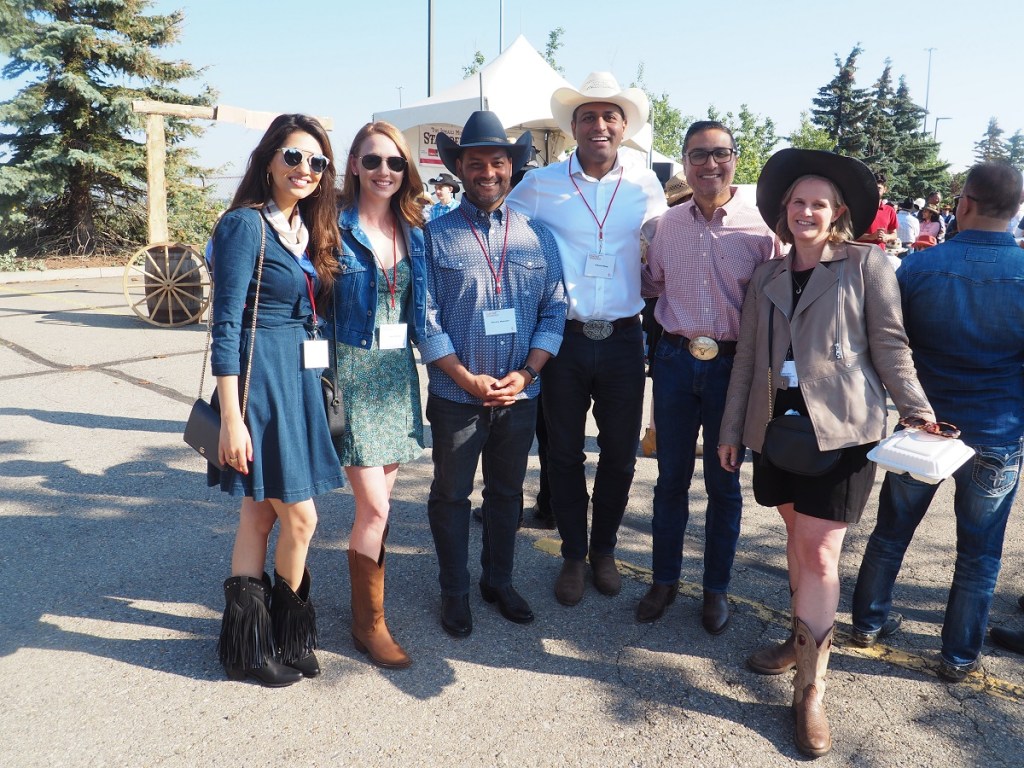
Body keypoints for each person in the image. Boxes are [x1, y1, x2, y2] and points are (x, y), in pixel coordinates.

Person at [718, 149, 935, 757]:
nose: (806, 211)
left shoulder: (867, 266)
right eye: (797, 203)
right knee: (795, 539)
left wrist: (916, 409)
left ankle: (811, 690)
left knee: (817, 552)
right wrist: (732, 429)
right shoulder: (766, 277)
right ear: (783, 214)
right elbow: (746, 361)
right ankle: (799, 639)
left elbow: (890, 345)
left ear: (837, 212)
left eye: (818, 203)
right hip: (776, 429)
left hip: (841, 430)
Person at [852, 162, 1024, 683]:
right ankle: (957, 656)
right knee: (980, 552)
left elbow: (888, 345)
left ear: (964, 203)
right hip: (998, 431)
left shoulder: (920, 268)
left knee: (890, 533)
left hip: (924, 429)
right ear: (1015, 210)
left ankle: (867, 623)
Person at [507, 71, 667, 607]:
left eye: (610, 116)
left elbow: (665, 248)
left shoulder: (646, 184)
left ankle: (604, 549)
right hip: (565, 338)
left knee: (621, 457)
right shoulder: (540, 185)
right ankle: (574, 553)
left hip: (624, 338)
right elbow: (500, 237)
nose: (599, 124)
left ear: (624, 127)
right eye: (589, 116)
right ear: (573, 127)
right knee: (565, 453)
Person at [210, 114, 345, 686]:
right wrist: (232, 420)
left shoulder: (302, 229)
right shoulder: (247, 226)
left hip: (295, 380)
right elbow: (224, 325)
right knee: (302, 519)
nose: (305, 170)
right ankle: (283, 631)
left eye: (316, 162)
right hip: (258, 383)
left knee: (258, 516)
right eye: (293, 156)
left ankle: (258, 643)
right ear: (268, 160)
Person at [420, 111, 566, 638]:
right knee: (451, 495)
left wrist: (527, 375)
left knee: (507, 496)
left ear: (512, 169)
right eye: (476, 162)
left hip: (519, 394)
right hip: (455, 394)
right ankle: (454, 589)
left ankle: (497, 581)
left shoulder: (539, 236)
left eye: (497, 162)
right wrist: (463, 377)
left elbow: (554, 310)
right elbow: (425, 316)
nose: (487, 172)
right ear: (459, 169)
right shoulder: (432, 237)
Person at [638, 122, 778, 632]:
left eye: (720, 154)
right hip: (674, 364)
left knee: (724, 486)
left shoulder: (763, 230)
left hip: (732, 369)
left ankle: (715, 589)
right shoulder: (665, 225)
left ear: (735, 159)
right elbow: (653, 285)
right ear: (684, 161)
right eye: (698, 155)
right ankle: (664, 580)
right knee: (669, 479)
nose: (709, 165)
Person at [330, 121, 428, 669]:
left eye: (394, 163)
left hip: (395, 380)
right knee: (375, 505)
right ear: (353, 166)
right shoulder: (330, 226)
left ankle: (362, 613)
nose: (384, 172)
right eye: (372, 162)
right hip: (349, 376)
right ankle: (371, 626)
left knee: (377, 510)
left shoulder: (416, 225)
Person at [855, 172, 898, 249]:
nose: (875, 191)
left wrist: (886, 237)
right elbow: (848, 235)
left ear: (885, 189)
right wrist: (870, 237)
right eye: (873, 187)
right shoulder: (859, 208)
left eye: (878, 188)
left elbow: (894, 234)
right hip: (859, 254)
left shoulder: (889, 211)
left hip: (879, 255)